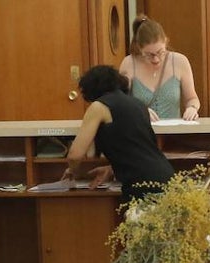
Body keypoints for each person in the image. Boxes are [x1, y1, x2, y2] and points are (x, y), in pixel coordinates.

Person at [65, 65, 175, 205]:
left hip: (142, 185)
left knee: (138, 226)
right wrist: (111, 170)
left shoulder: (99, 106)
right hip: (166, 177)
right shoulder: (138, 104)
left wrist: (72, 171)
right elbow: (137, 149)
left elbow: (75, 155)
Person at [118, 15, 201, 122]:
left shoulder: (180, 62)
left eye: (160, 52)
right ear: (139, 48)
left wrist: (192, 108)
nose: (156, 59)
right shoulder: (129, 63)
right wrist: (139, 110)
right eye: (149, 55)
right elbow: (120, 101)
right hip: (140, 132)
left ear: (166, 42)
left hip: (173, 133)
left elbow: (192, 98)